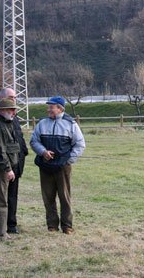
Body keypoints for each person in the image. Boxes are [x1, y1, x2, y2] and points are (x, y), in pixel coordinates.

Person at [30, 96, 85, 235]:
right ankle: (52, 225)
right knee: (48, 197)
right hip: (45, 166)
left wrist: (68, 161)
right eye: (48, 107)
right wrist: (43, 152)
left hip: (62, 168)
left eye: (51, 107)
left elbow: (80, 144)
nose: (48, 109)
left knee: (64, 197)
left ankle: (67, 226)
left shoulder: (71, 124)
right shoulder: (42, 123)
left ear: (60, 108)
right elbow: (34, 141)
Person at [0, 88, 28, 234]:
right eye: (11, 109)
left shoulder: (7, 120)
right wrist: (8, 168)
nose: (14, 113)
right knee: (0, 201)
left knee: (6, 199)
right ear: (2, 109)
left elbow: (15, 141)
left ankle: (7, 227)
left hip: (9, 164)